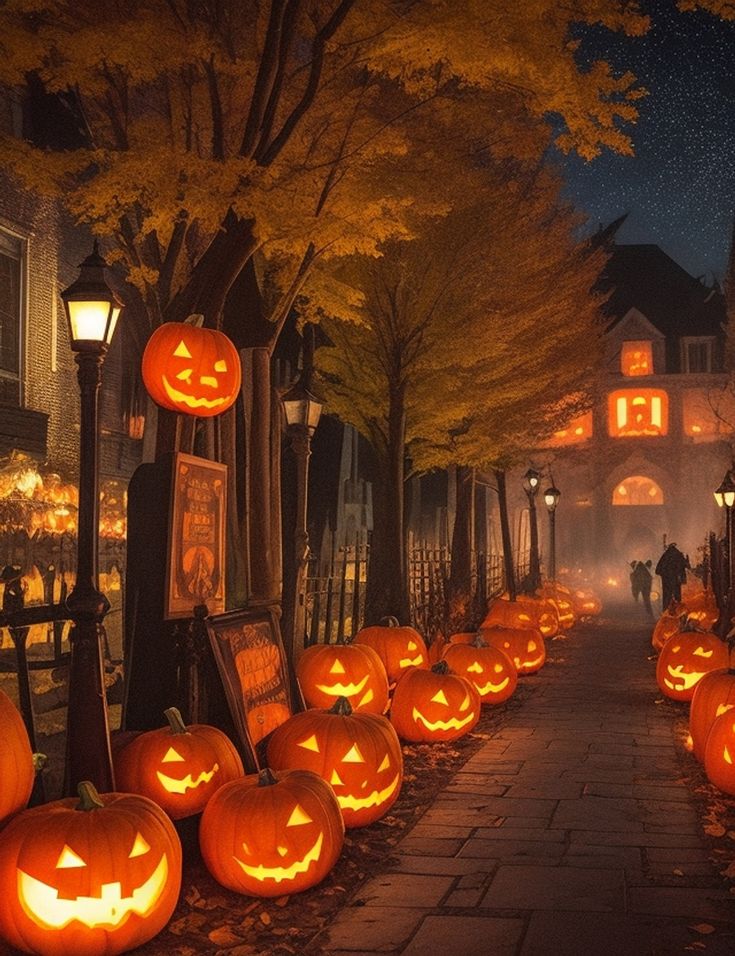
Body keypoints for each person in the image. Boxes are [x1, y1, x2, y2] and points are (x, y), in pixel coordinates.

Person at [655, 543, 689, 609]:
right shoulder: (679, 555)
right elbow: (686, 565)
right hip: (676, 581)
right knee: (677, 597)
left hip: (667, 581)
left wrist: (665, 574)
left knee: (667, 598)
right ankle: (678, 613)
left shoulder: (665, 556)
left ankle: (666, 612)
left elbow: (658, 570)